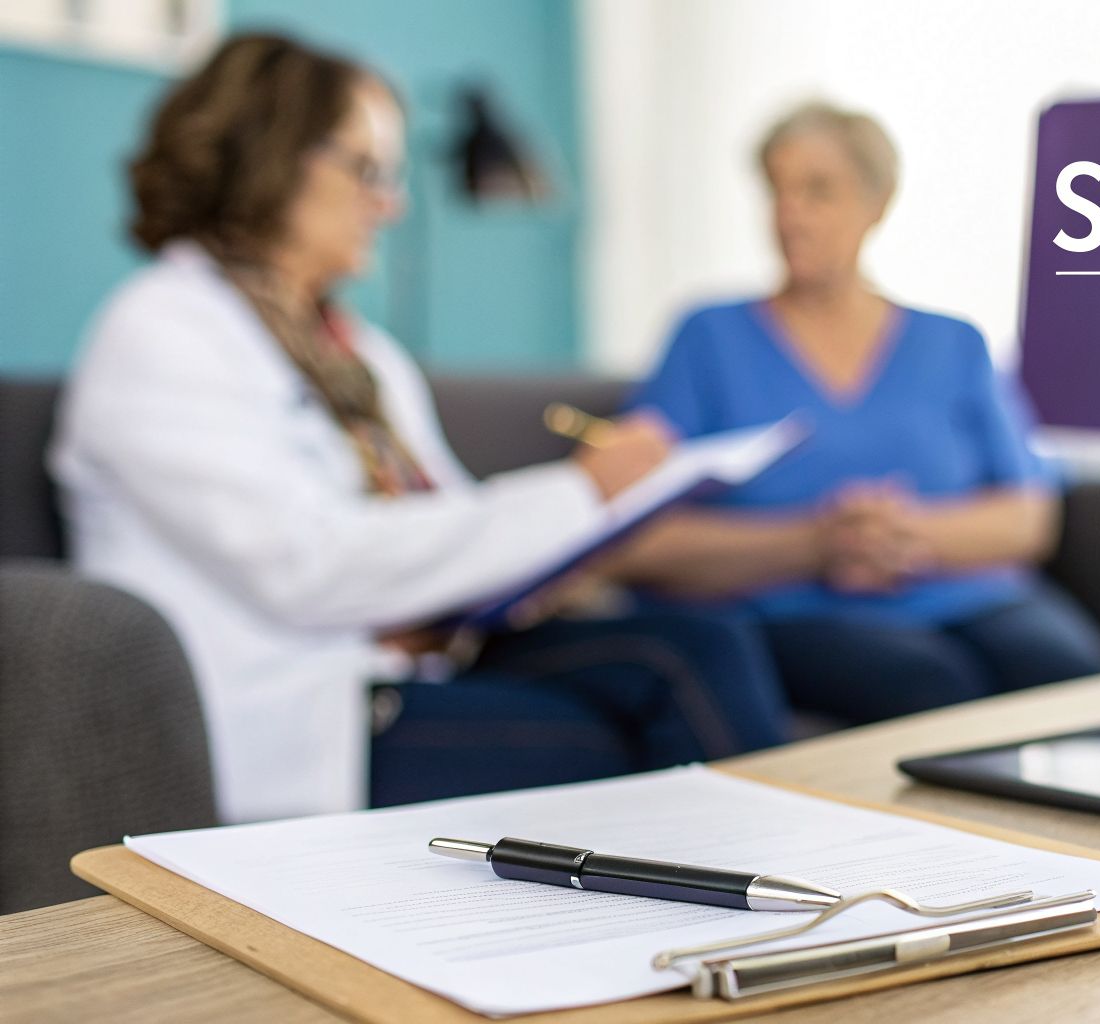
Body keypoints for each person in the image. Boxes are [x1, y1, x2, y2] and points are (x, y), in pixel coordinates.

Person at [50, 34, 790, 824]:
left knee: (696, 649)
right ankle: (794, 911)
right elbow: (309, 567)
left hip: (420, 663)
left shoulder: (358, 355)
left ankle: (815, 892)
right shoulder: (162, 332)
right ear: (270, 155)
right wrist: (576, 493)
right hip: (305, 710)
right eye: (368, 170)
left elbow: (445, 518)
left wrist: (575, 542)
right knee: (606, 750)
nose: (392, 204)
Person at [614, 101, 1100, 724]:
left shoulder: (953, 344)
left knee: (1075, 681)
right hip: (794, 610)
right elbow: (634, 538)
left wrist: (903, 537)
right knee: (925, 686)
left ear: (877, 202)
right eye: (777, 191)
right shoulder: (708, 337)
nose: (789, 215)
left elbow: (1027, 518)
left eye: (817, 191)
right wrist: (813, 544)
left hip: (968, 594)